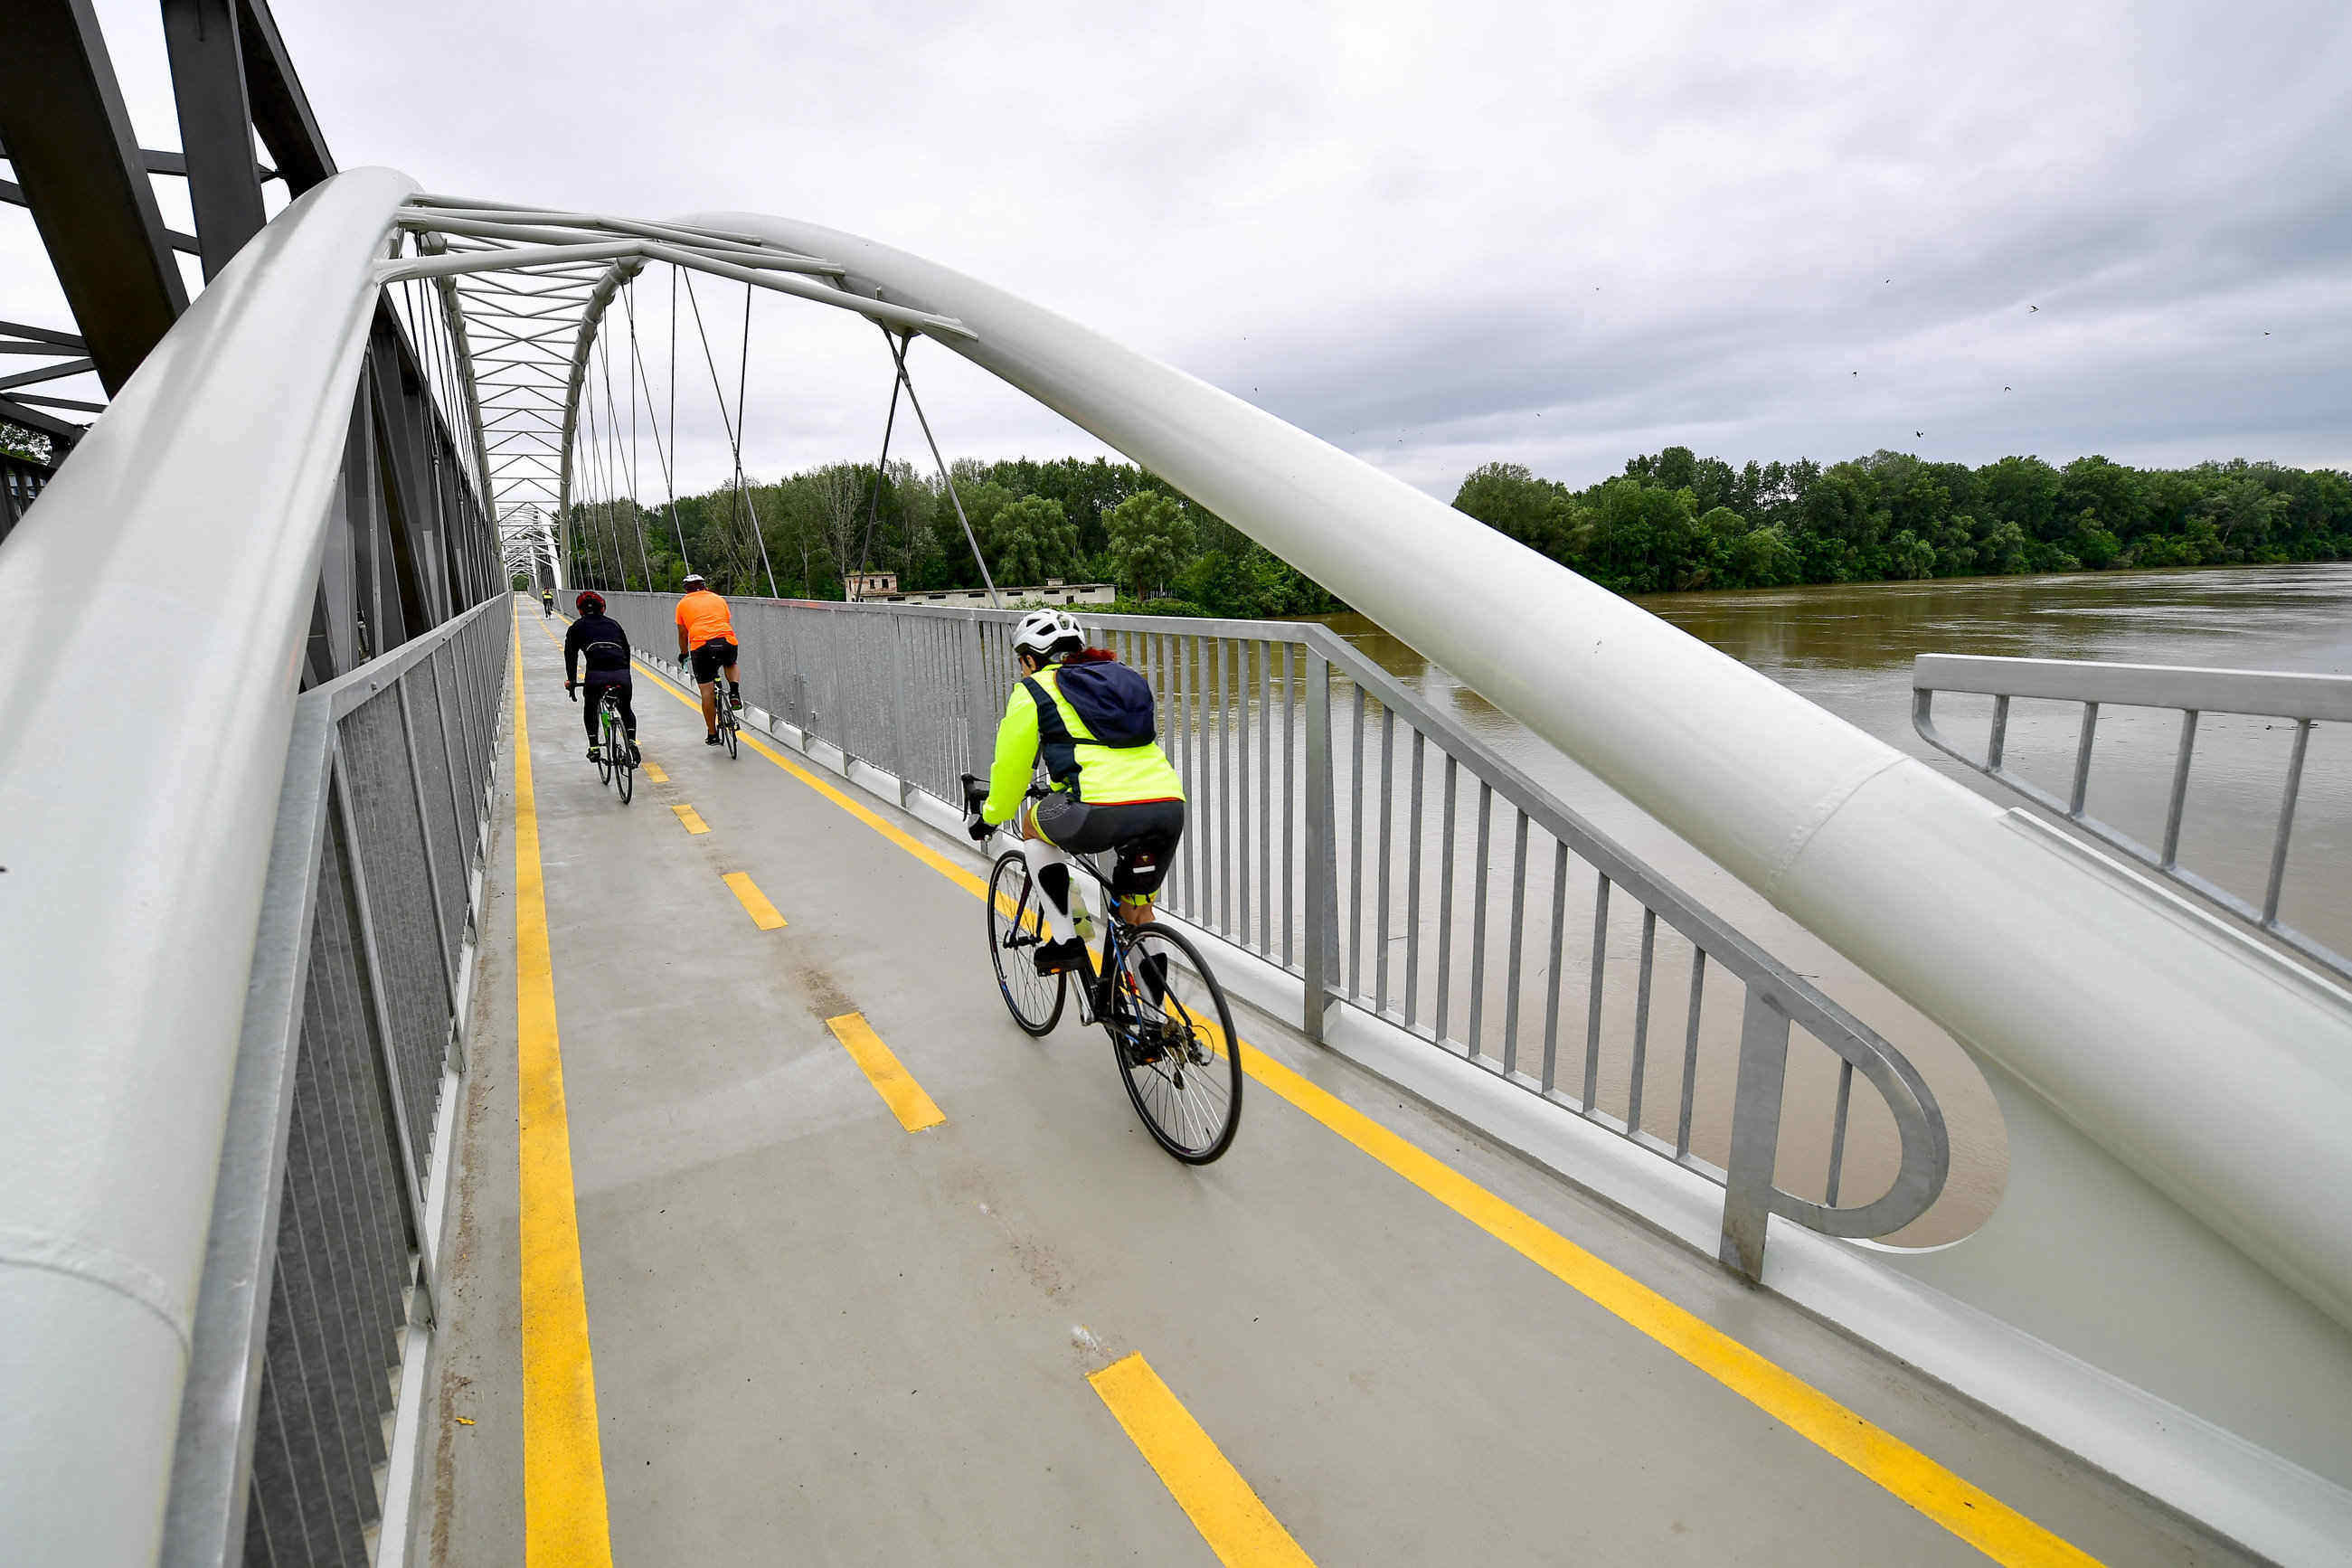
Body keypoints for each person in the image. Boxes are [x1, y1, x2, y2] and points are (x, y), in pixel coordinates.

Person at [967, 609, 1186, 975]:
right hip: (1166, 805)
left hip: (1097, 811)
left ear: (1028, 659)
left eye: (1022, 663)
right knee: (1137, 912)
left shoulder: (1033, 689)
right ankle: (1158, 1021)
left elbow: (1011, 770)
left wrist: (989, 817)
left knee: (1034, 827)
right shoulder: (1121, 678)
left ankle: (1066, 940)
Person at [564, 590, 638, 763]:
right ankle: (632, 744)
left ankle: (594, 747)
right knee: (625, 708)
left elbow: (570, 656)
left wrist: (572, 681)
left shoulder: (576, 627)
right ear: (603, 608)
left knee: (590, 706)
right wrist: (625, 674)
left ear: (580, 610)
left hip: (596, 676)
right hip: (621, 673)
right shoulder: (614, 624)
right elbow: (626, 651)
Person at [673, 571, 740, 746]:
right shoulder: (718, 599)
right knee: (730, 663)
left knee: (707, 692)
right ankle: (734, 691)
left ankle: (712, 734)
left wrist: (684, 653)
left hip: (701, 646)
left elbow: (682, 633)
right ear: (705, 586)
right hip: (726, 640)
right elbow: (724, 619)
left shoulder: (682, 604)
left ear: (686, 590)